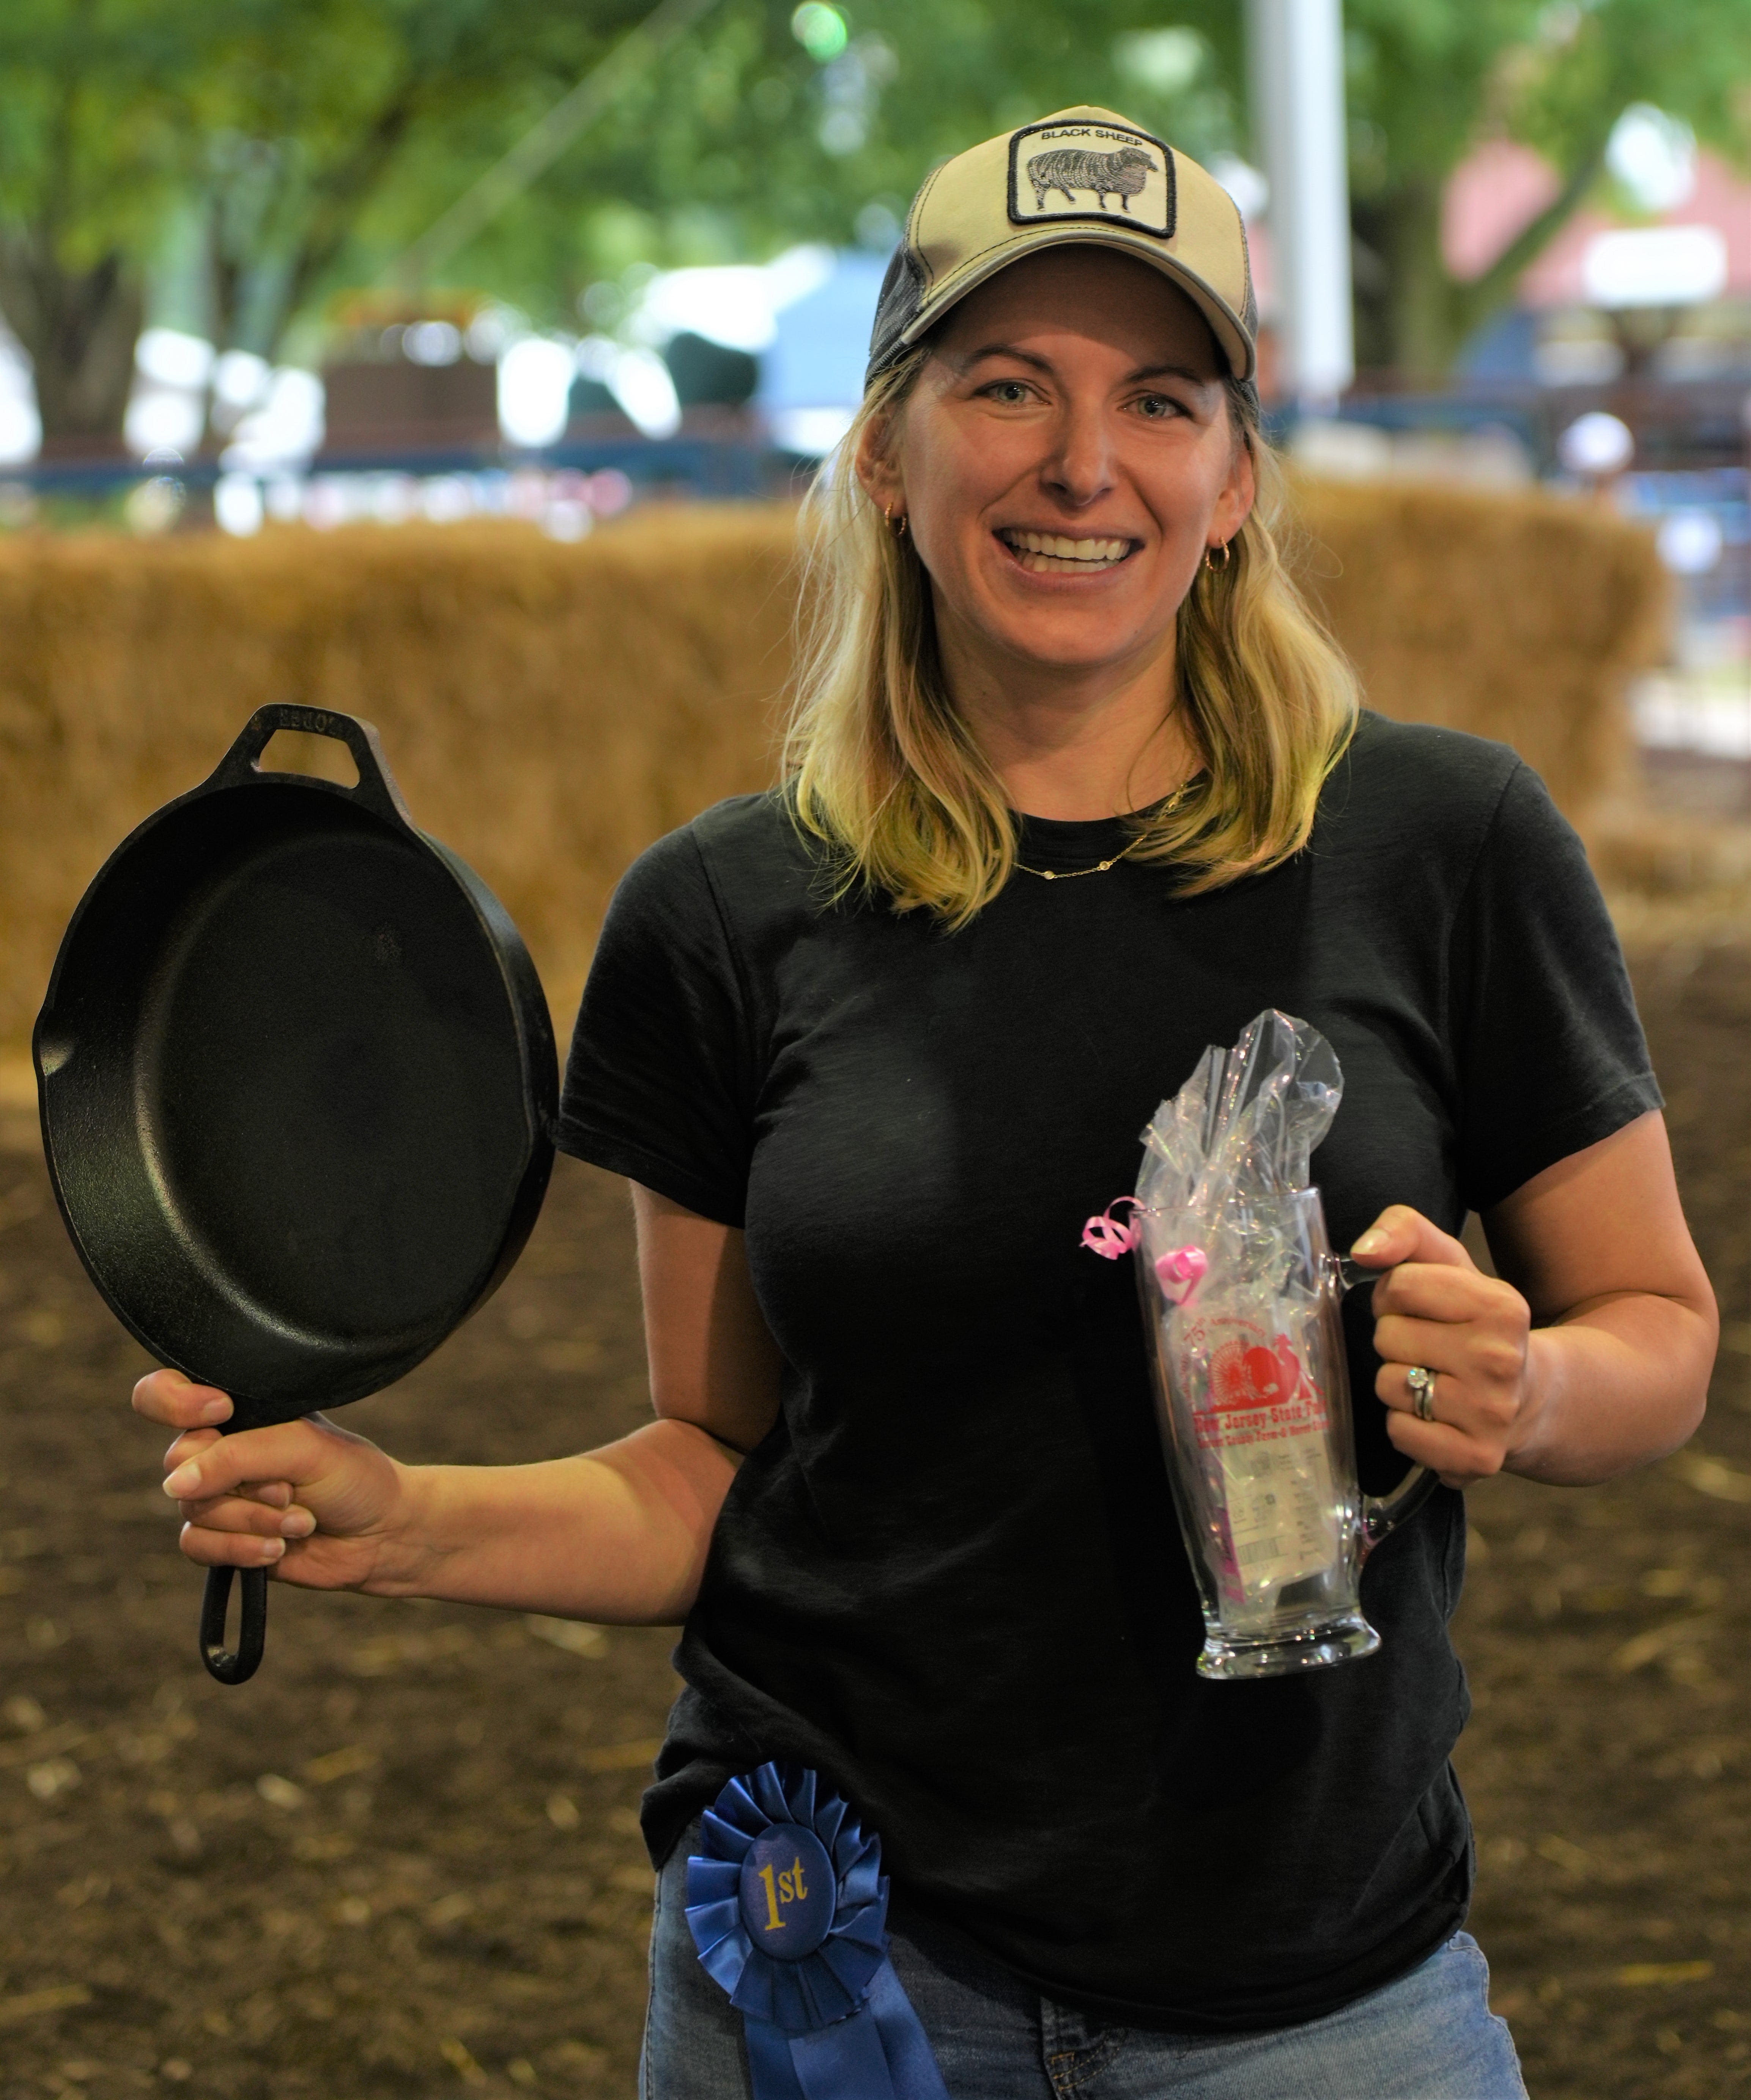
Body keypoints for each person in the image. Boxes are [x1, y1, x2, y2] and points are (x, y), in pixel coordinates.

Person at [135, 109, 1715, 2099]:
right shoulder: (722, 911)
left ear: (1233, 480)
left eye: (1159, 399)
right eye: (1004, 386)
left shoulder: (1443, 840)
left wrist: (1534, 1393)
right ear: (884, 451)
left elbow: (1656, 1337)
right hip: (829, 1967)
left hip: (1315, 2002)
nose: (1081, 461)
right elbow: (713, 1469)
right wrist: (402, 1519)